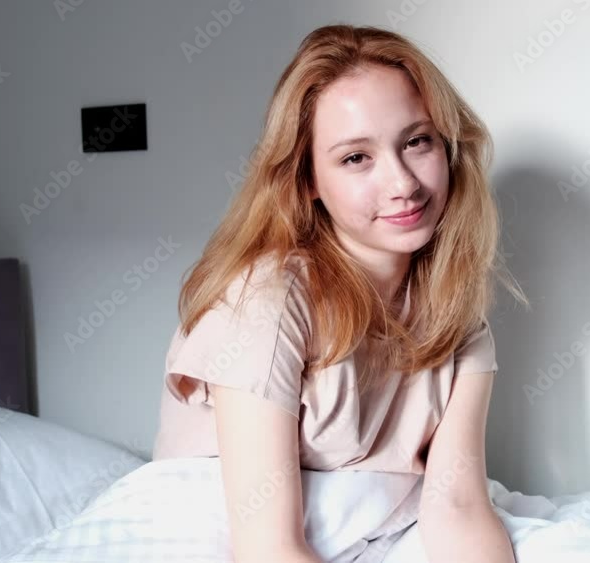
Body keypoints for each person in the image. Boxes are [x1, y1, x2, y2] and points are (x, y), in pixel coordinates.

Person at [151, 23, 528, 563]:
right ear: (307, 179)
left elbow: (460, 508)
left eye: (417, 141)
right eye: (356, 157)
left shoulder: (459, 320)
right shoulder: (271, 300)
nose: (403, 183)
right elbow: (267, 550)